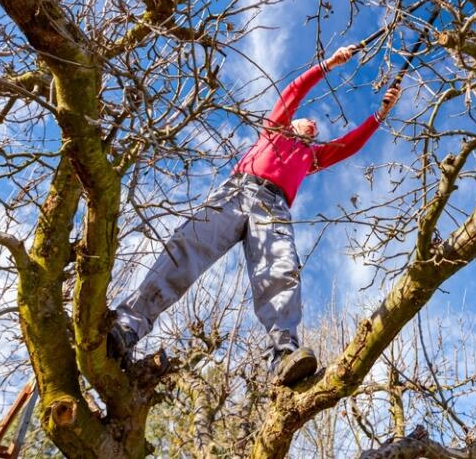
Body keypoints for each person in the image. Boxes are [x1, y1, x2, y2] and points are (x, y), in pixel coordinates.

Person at [108, 46, 401, 385]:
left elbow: (349, 145)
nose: (314, 124)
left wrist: (380, 114)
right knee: (186, 247)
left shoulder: (311, 158)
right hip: (236, 192)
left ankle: (283, 352)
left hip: (273, 207)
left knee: (280, 269)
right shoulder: (274, 129)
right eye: (307, 120)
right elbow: (294, 91)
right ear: (291, 122)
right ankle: (127, 326)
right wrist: (329, 64)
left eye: (316, 127)